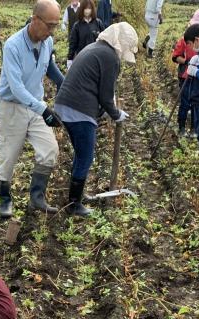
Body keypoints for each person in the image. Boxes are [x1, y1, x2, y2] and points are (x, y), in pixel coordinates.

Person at [55, 23, 137, 217]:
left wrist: (108, 110)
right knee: (86, 156)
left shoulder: (95, 48)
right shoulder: (109, 57)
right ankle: (74, 205)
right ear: (121, 44)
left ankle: (76, 196)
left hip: (65, 104)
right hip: (79, 109)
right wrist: (115, 114)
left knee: (81, 153)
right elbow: (106, 95)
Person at [0, 0, 64, 218]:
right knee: (8, 156)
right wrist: (44, 110)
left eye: (55, 25)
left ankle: (37, 197)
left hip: (35, 106)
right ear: (35, 19)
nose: (52, 30)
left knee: (49, 150)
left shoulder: (48, 42)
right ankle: (5, 198)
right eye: (49, 25)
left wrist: (65, 83)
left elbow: (50, 67)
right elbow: (16, 88)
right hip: (12, 107)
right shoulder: (13, 45)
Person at [171, 8, 199, 136]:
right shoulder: (185, 39)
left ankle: (194, 128)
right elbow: (175, 56)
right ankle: (181, 127)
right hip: (186, 76)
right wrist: (187, 62)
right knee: (185, 102)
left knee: (197, 103)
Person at [67, 0, 104, 68]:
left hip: (96, 57)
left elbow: (104, 40)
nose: (87, 11)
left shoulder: (98, 23)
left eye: (89, 8)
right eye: (85, 8)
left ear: (92, 9)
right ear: (82, 9)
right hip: (82, 57)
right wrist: (70, 58)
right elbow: (73, 43)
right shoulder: (77, 25)